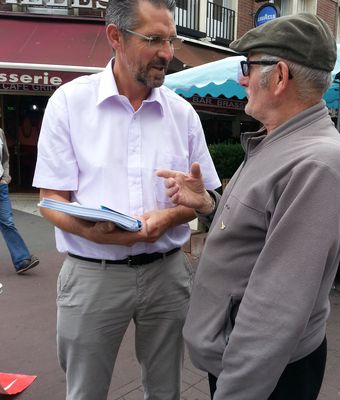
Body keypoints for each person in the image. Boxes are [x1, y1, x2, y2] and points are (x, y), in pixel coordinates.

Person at [157, 13, 340, 400]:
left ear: (280, 76)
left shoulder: (316, 163)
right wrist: (209, 204)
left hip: (266, 374)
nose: (242, 78)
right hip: (247, 362)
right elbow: (262, 230)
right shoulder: (280, 141)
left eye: (248, 66)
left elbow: (277, 308)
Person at [32, 0, 220, 399]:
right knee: (86, 391)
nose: (167, 53)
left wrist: (172, 216)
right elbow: (51, 200)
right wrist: (98, 234)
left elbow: (203, 198)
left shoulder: (183, 114)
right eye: (153, 39)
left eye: (171, 40)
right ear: (115, 36)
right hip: (92, 273)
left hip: (168, 273)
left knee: (165, 389)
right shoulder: (68, 103)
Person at [0, 127, 39, 274]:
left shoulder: (0, 132)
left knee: (7, 222)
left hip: (0, 186)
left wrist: (5, 177)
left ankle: (21, 260)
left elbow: (5, 157)